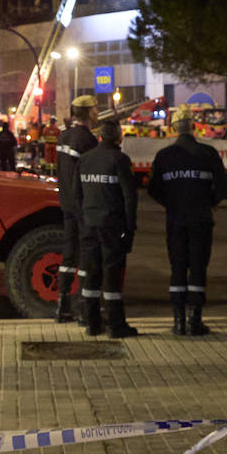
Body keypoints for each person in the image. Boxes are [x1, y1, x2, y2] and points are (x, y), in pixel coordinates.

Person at [148, 105, 227, 335]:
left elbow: (153, 189)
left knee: (177, 267)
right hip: (201, 220)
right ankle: (195, 320)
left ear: (174, 129)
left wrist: (172, 203)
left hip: (175, 220)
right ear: (194, 127)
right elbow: (223, 188)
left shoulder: (164, 156)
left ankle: (178, 321)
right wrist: (208, 202)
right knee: (197, 268)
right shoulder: (208, 154)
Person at [75, 120, 139, 338]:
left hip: (89, 225)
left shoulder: (84, 160)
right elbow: (130, 198)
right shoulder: (120, 160)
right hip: (111, 226)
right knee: (112, 275)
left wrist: (83, 219)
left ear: (100, 137)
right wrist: (130, 228)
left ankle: (92, 323)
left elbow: (77, 195)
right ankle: (116, 325)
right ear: (119, 137)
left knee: (91, 273)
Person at [54, 96, 100, 323]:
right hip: (82, 206)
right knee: (85, 256)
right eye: (95, 109)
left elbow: (59, 172)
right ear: (89, 113)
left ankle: (62, 305)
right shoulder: (88, 140)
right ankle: (83, 307)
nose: (97, 112)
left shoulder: (63, 137)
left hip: (66, 203)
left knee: (68, 253)